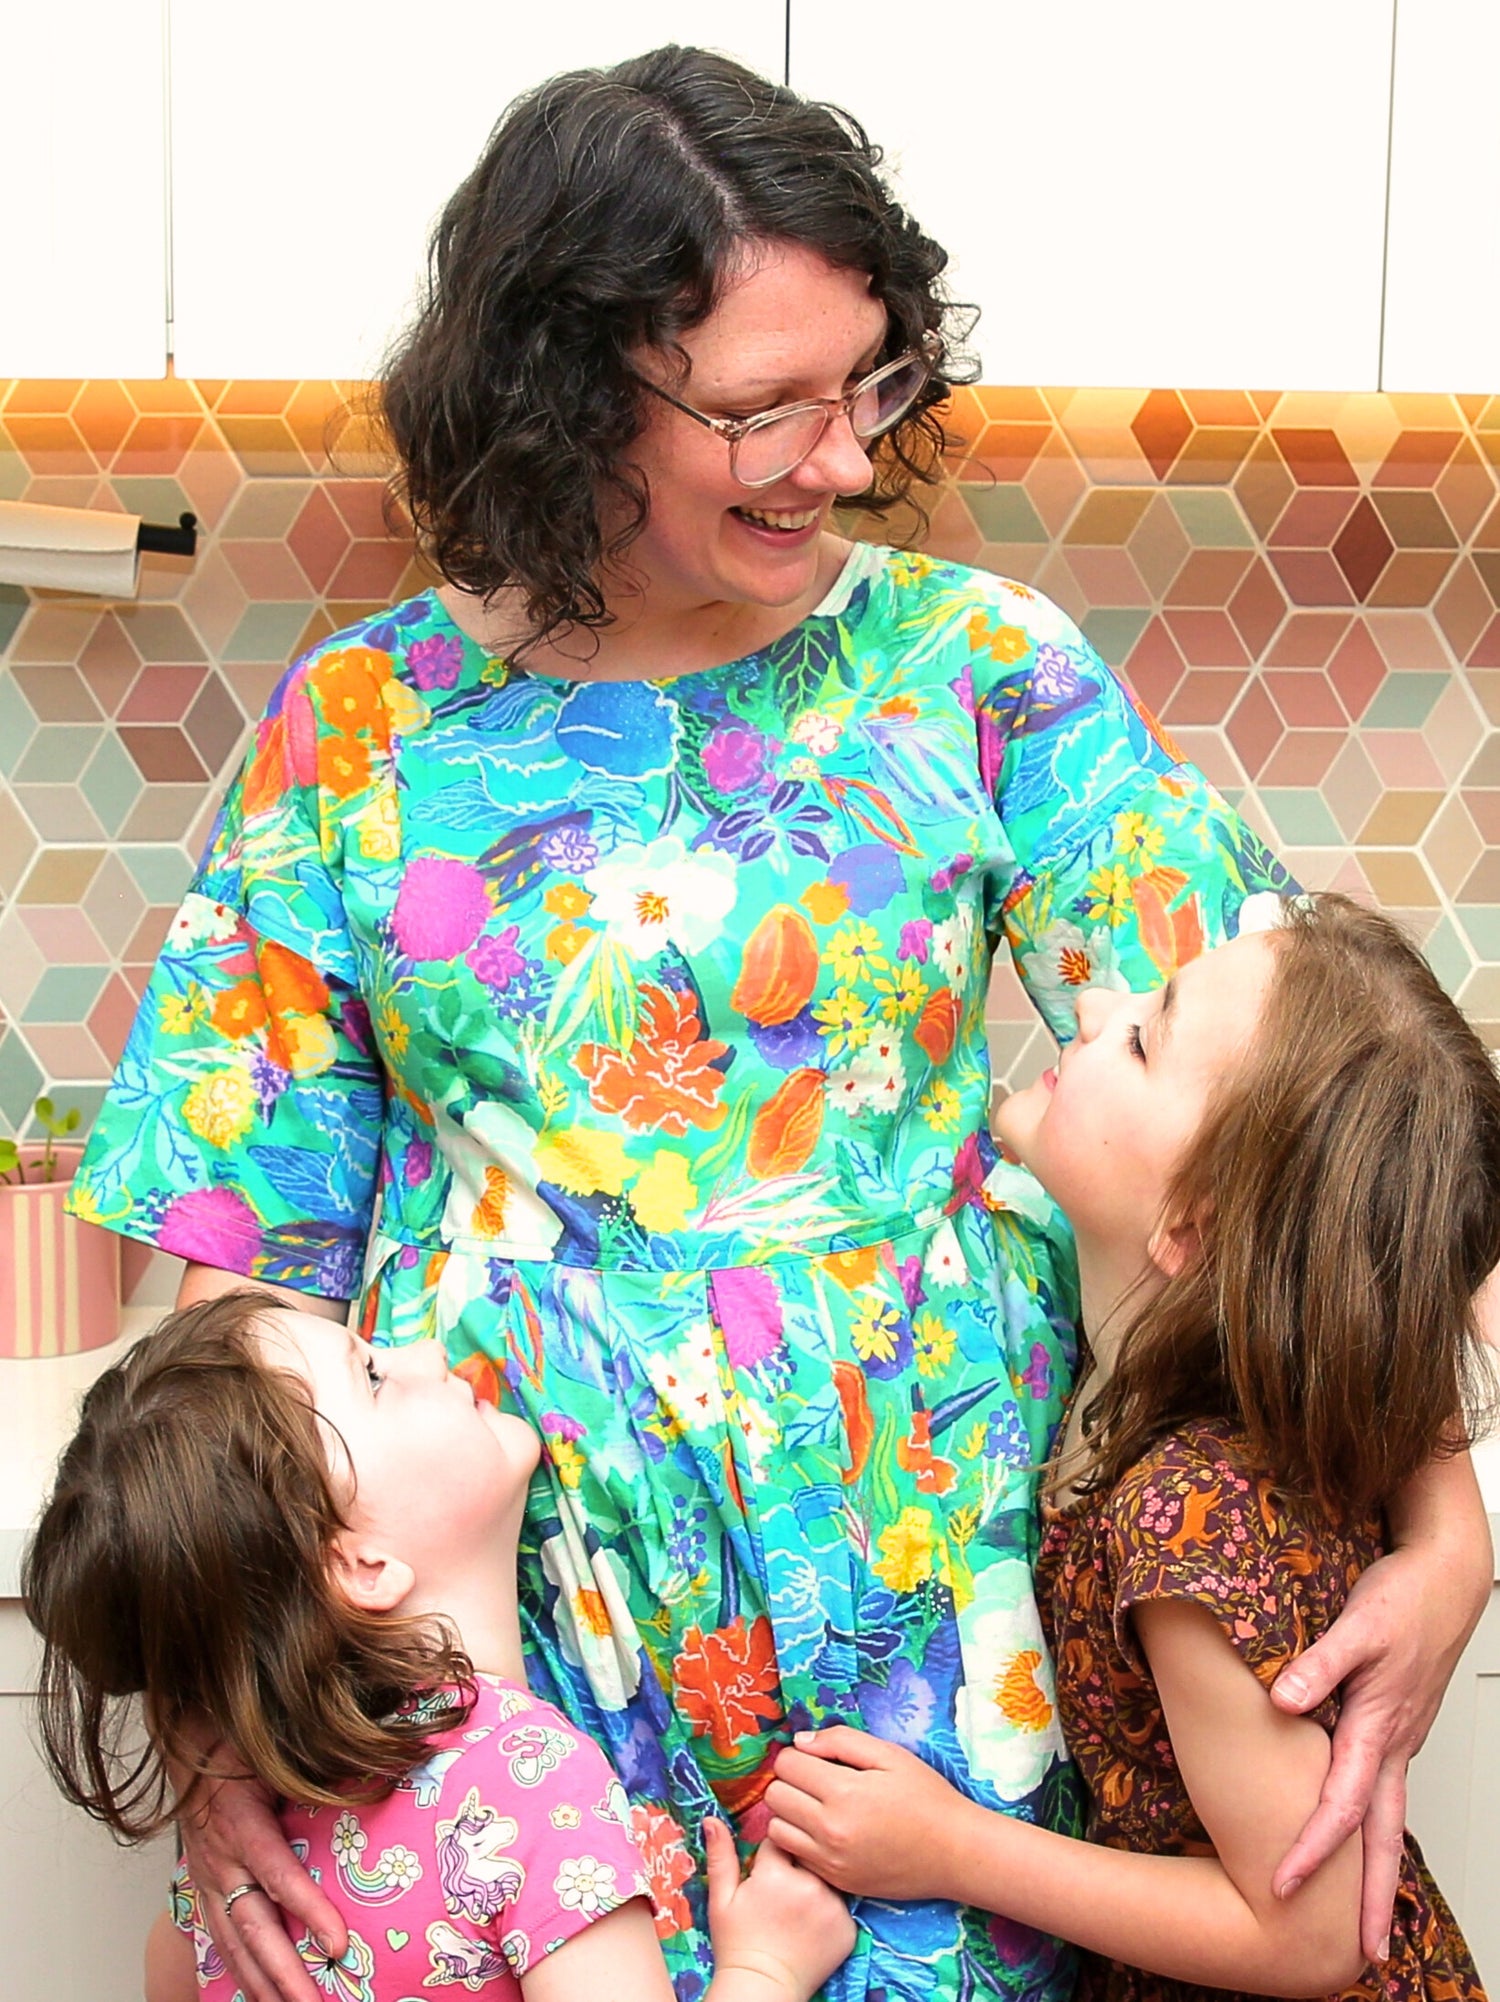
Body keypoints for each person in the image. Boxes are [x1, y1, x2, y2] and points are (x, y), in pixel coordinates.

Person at [64, 42, 1492, 2002]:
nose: (842, 456)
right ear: (570, 399)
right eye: (765, 405)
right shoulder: (358, 731)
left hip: (939, 1670)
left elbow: (1301, 1126)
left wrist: (1448, 1518)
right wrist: (229, 1724)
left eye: (872, 380)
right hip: (504, 1676)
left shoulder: (977, 670)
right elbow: (238, 1303)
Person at [765, 896, 1495, 2002]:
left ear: (1190, 1226)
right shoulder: (1170, 1391)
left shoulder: (1187, 1513)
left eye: (1144, 1034)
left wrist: (949, 1848)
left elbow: (1310, 1935)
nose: (1092, 1004)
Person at [25, 1290, 855, 2002]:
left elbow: (169, 1973)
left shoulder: (243, 1839)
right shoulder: (532, 1785)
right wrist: (765, 1967)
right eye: (375, 1376)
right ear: (360, 1563)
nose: (425, 1350)